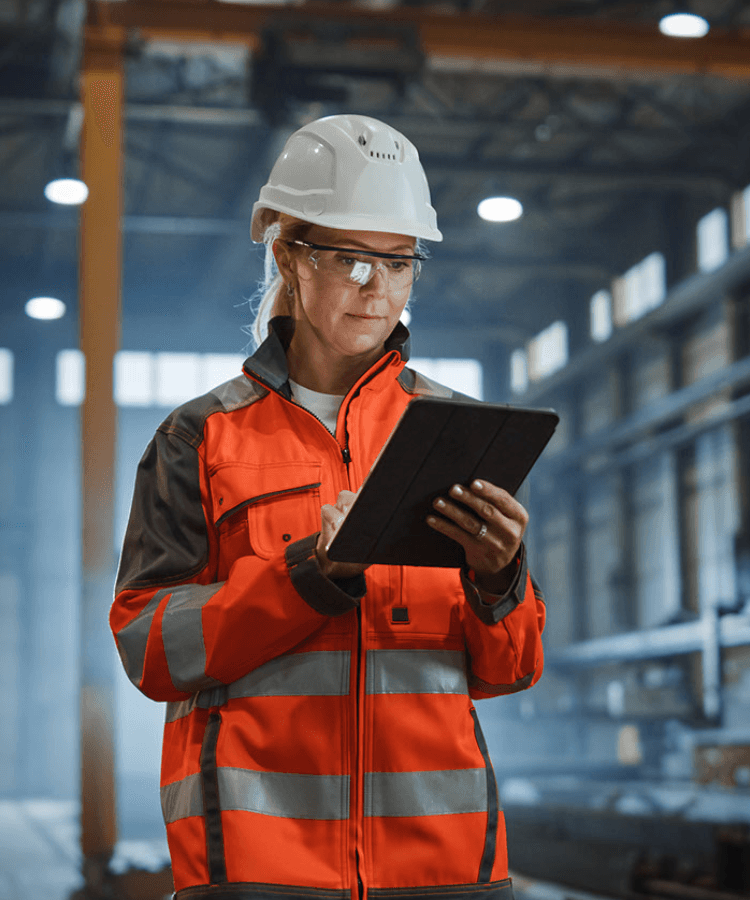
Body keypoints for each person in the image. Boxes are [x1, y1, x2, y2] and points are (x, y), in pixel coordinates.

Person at [109, 114, 545, 900]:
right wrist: (309, 574)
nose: (376, 287)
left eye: (398, 261)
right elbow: (149, 649)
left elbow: (510, 668)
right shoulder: (200, 437)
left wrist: (500, 580)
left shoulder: (455, 434)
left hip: (444, 867)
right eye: (349, 257)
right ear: (287, 255)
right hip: (257, 865)